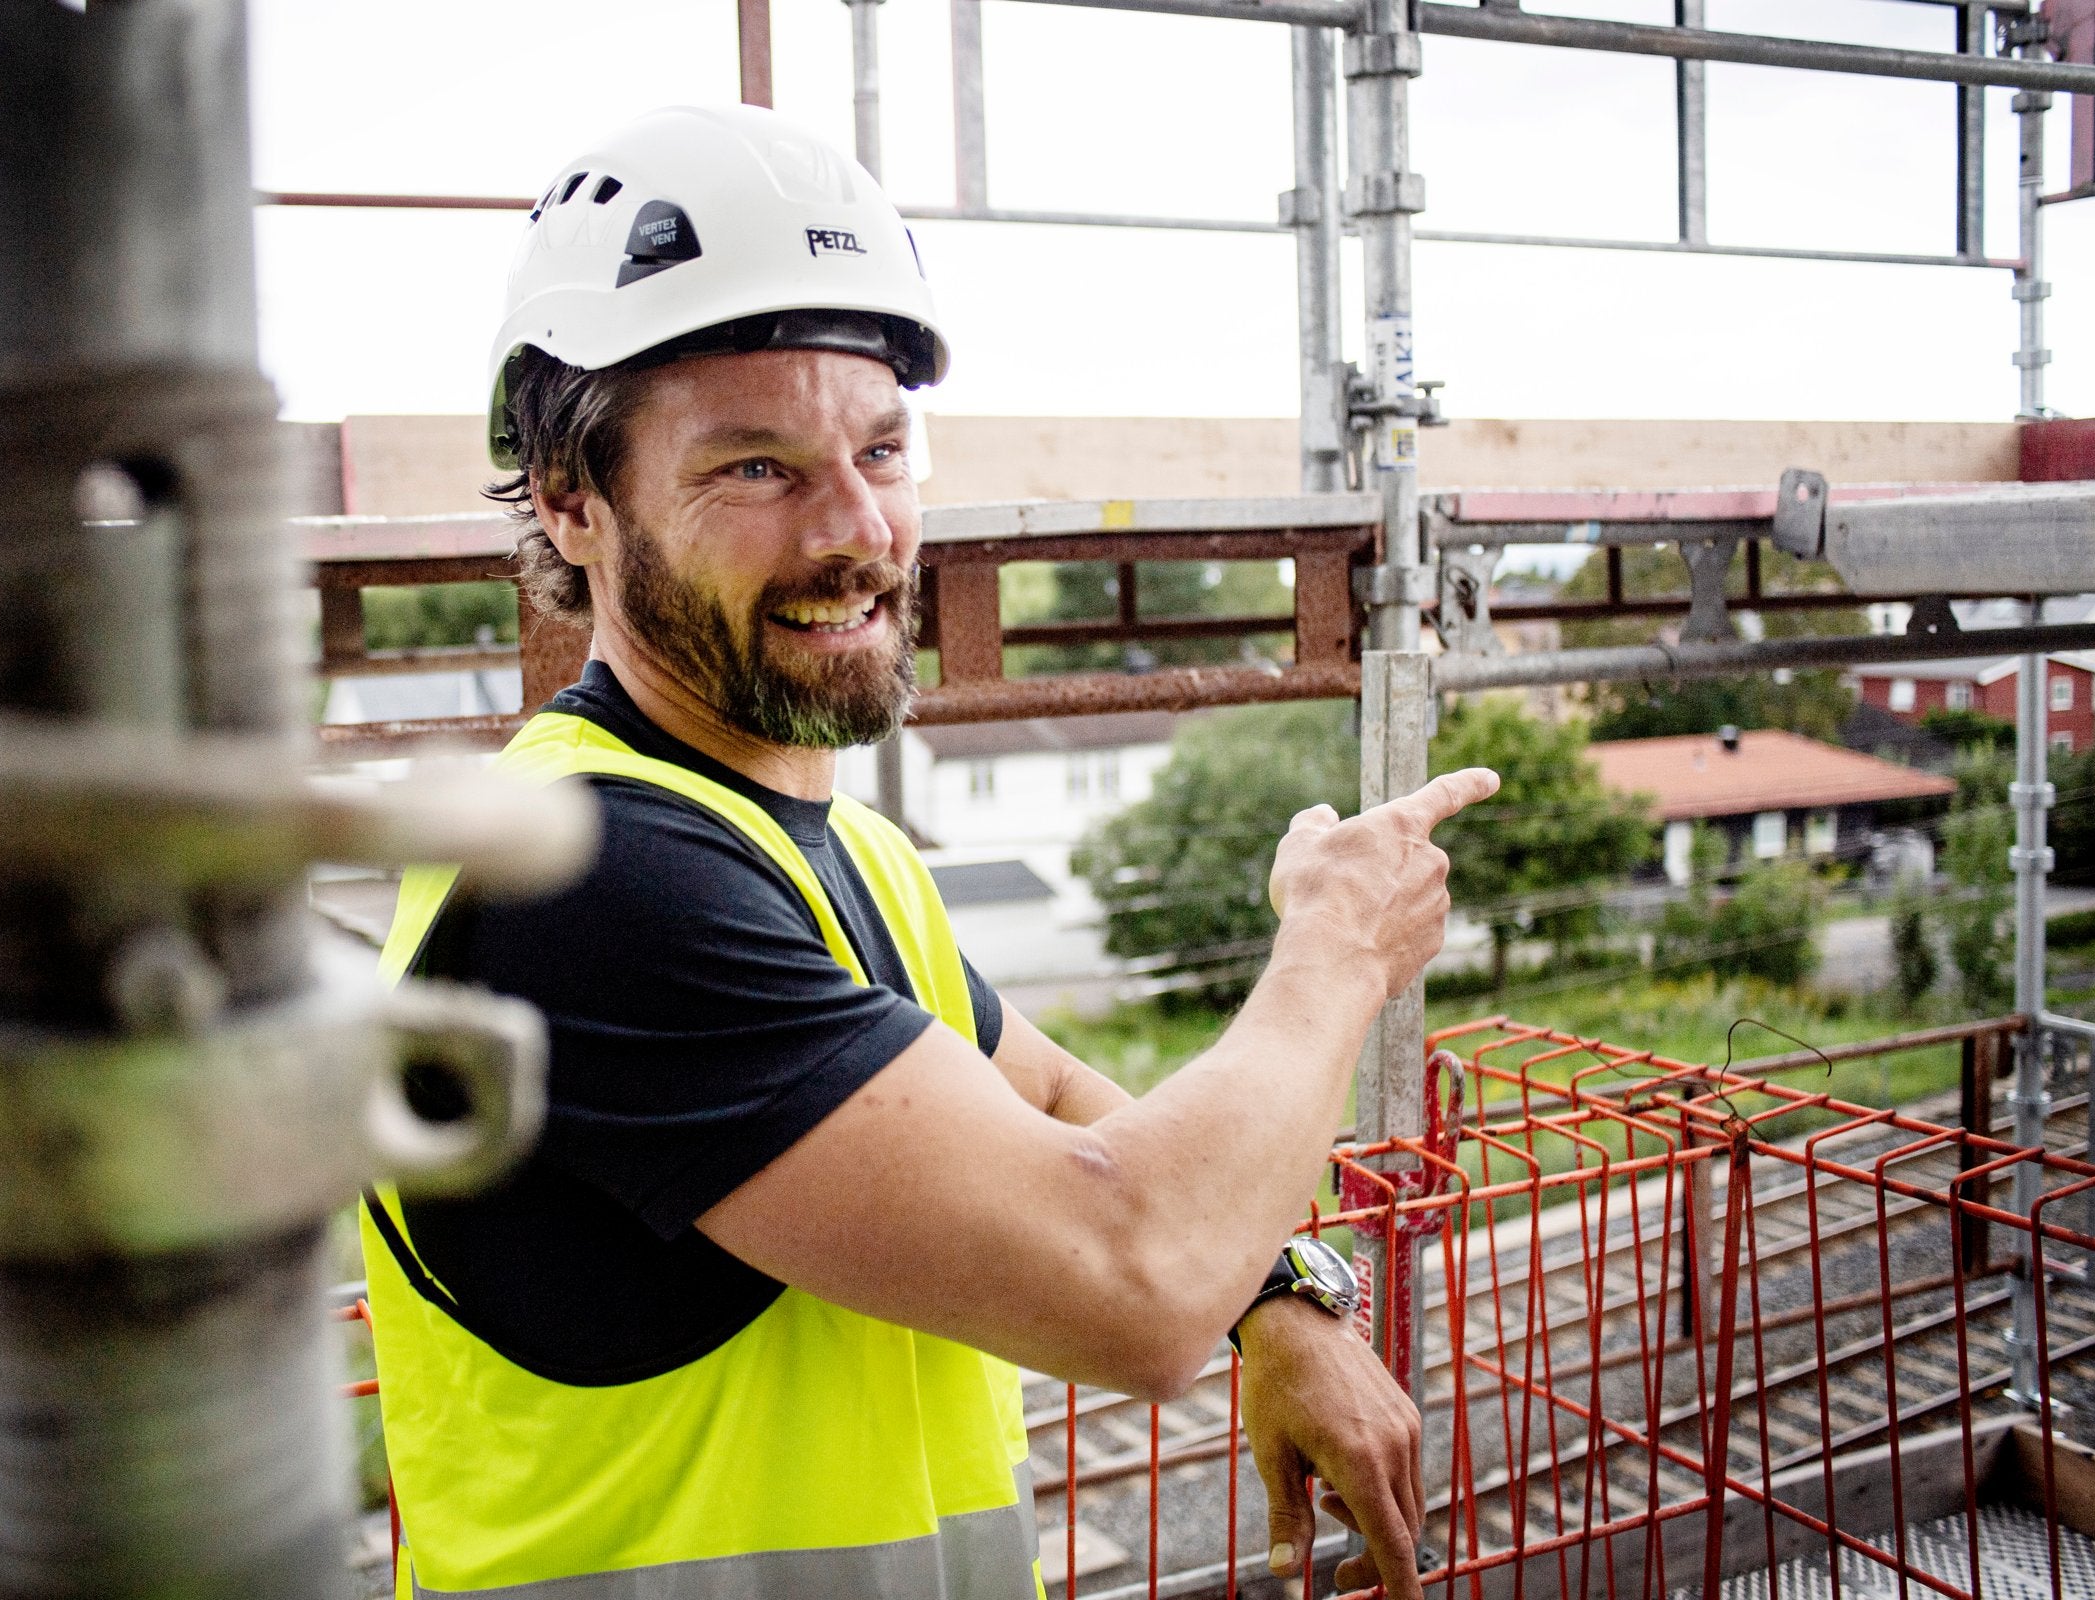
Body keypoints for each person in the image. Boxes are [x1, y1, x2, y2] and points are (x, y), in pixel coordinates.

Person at [361, 102, 1498, 1600]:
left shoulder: (837, 850)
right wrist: (1338, 949)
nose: (858, 530)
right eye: (754, 468)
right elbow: (1137, 1274)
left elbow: (1056, 1100)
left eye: (883, 449)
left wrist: (1279, 1297)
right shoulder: (581, 876)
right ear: (572, 501)